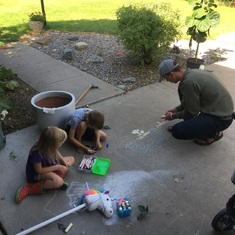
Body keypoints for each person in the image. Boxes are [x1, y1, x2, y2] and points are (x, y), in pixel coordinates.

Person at [158, 59, 234, 145]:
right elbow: (190, 102)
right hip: (219, 110)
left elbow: (191, 112)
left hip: (221, 119)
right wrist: (176, 109)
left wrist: (172, 116)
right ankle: (202, 128)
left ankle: (214, 134)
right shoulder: (192, 72)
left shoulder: (188, 83)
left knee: (177, 131)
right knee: (187, 119)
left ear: (171, 74)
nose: (167, 81)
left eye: (166, 78)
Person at [16, 126, 75, 203]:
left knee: (71, 159)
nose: (61, 145)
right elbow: (39, 170)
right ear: (52, 144)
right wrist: (57, 167)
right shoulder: (36, 153)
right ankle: (30, 188)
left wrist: (62, 160)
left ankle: (53, 179)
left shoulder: (49, 146)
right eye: (60, 143)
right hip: (37, 174)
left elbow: (56, 151)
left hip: (49, 166)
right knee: (58, 182)